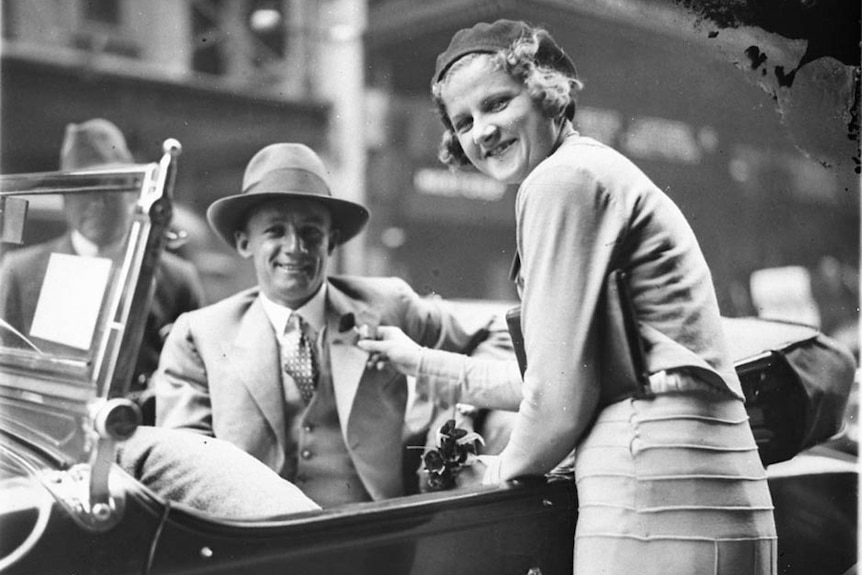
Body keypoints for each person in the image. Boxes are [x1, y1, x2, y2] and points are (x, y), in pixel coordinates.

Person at [425, 19, 777, 575]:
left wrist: (496, 470)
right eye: (463, 122)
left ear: (546, 92)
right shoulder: (593, 167)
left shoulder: (558, 181)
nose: (482, 132)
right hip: (721, 484)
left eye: (497, 103)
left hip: (650, 487)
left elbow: (558, 399)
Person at [154, 142, 490, 508]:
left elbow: (493, 334)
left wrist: (459, 413)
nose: (295, 247)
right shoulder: (199, 335)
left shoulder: (386, 305)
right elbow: (184, 466)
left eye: (311, 232)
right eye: (275, 231)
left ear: (331, 242)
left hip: (376, 529)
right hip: (253, 536)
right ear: (244, 242)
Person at [0, 119, 205, 424]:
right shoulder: (20, 271)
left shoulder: (178, 278)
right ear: (65, 201)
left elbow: (194, 377)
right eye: (83, 193)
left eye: (108, 192)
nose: (96, 205)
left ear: (132, 196)